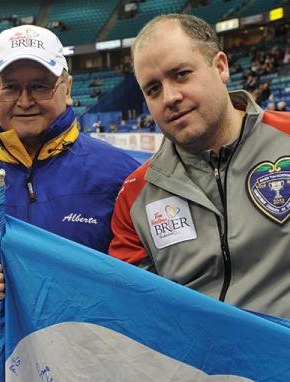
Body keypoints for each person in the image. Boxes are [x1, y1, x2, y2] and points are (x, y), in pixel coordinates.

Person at [108, 14, 290, 318]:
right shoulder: (135, 197)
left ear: (220, 67)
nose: (170, 97)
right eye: (153, 89)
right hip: (197, 364)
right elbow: (134, 308)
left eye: (181, 74)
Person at [0, 25, 139, 299]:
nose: (25, 101)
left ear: (67, 89)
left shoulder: (122, 177)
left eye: (40, 86)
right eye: (10, 87)